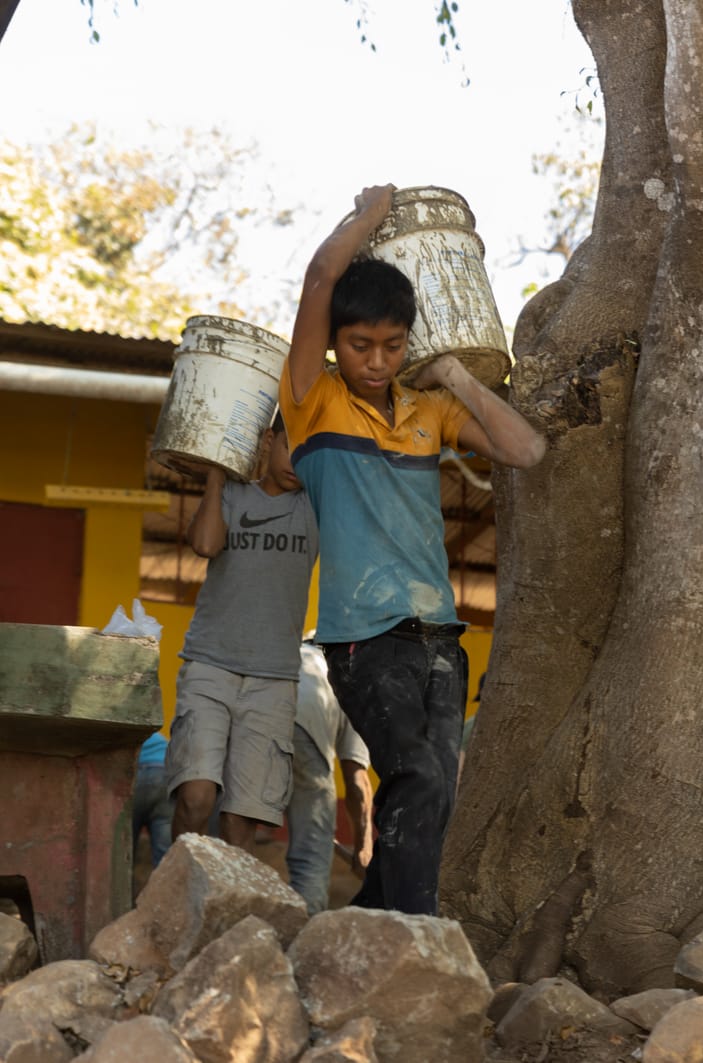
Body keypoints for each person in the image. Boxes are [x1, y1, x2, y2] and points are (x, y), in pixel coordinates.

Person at [278, 184, 546, 915]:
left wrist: (456, 374)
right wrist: (366, 218)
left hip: (439, 638)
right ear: (335, 342)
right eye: (361, 345)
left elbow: (526, 448)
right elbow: (318, 279)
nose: (376, 360)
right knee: (417, 777)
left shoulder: (430, 409)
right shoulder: (313, 401)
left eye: (393, 345)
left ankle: (369, 922)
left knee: (434, 793)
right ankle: (416, 937)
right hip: (365, 639)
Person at [165, 412, 319, 854]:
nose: (298, 461)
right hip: (210, 667)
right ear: (269, 440)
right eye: (292, 446)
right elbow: (206, 544)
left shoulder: (314, 506)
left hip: (274, 681)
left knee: (240, 820)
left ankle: (225, 913)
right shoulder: (232, 495)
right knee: (197, 798)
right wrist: (216, 474)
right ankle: (177, 896)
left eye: (311, 452)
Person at [286, 640, 373, 915]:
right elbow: (357, 783)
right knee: (310, 856)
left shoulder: (293, 653)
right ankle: (304, 940)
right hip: (305, 734)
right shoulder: (350, 677)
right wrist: (363, 845)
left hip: (259, 712)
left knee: (234, 837)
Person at [132, 731, 173, 867]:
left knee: (125, 848)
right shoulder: (157, 736)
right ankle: (166, 887)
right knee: (165, 855)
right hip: (166, 774)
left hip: (138, 773)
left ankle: (120, 888)